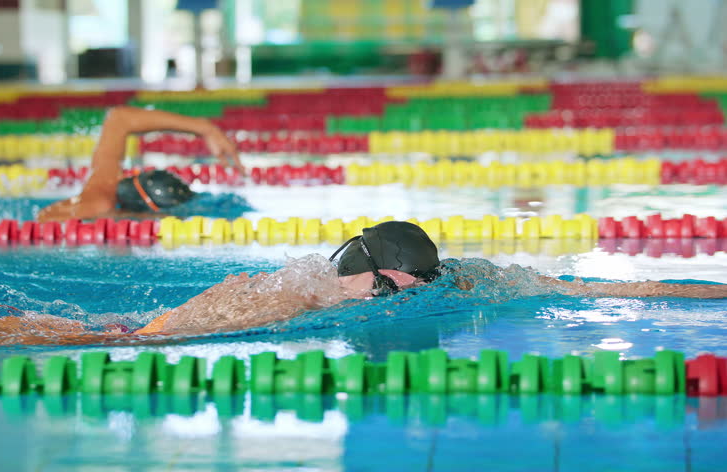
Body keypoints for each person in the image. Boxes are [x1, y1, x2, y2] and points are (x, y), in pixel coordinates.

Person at [134, 221, 727, 335]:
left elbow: (579, 289)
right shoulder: (283, 300)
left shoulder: (462, 280)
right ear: (371, 278)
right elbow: (148, 339)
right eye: (394, 289)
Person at [37, 106, 241, 223]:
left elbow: (119, 118)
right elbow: (119, 118)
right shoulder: (102, 202)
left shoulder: (100, 197)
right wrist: (206, 127)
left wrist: (204, 128)